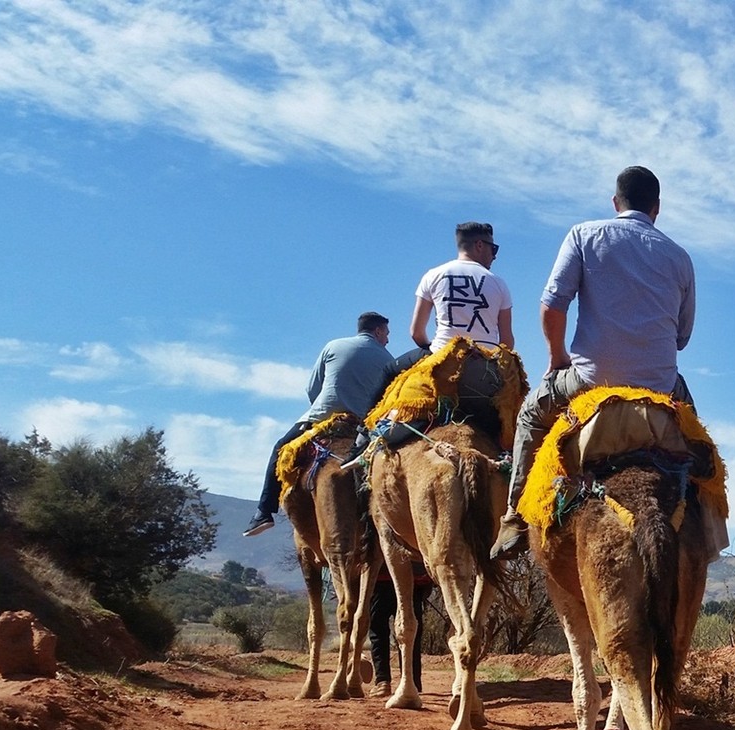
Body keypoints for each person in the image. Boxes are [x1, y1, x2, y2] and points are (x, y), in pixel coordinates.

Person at [490, 166, 696, 558]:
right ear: (657, 208)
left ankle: (515, 517)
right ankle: (702, 516)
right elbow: (682, 338)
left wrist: (557, 357)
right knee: (696, 440)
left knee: (531, 416)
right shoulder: (680, 258)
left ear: (615, 202)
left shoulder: (585, 234)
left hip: (590, 379)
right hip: (659, 386)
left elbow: (552, 306)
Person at [244, 311, 403, 536]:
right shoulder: (389, 360)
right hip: (364, 425)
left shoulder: (333, 346)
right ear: (377, 331)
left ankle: (264, 512)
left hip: (322, 416)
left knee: (280, 449)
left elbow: (312, 389)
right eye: (386, 334)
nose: (387, 340)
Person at [410, 222, 515, 354]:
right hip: (485, 363)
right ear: (480, 245)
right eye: (493, 249)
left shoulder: (432, 276)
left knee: (389, 370)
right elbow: (507, 342)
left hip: (443, 358)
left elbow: (416, 333)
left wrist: (432, 353)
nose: (494, 256)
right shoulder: (499, 284)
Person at [367, 563, 433, 696]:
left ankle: (383, 681)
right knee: (411, 633)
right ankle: (412, 682)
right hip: (412, 580)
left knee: (378, 632)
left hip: (381, 580)